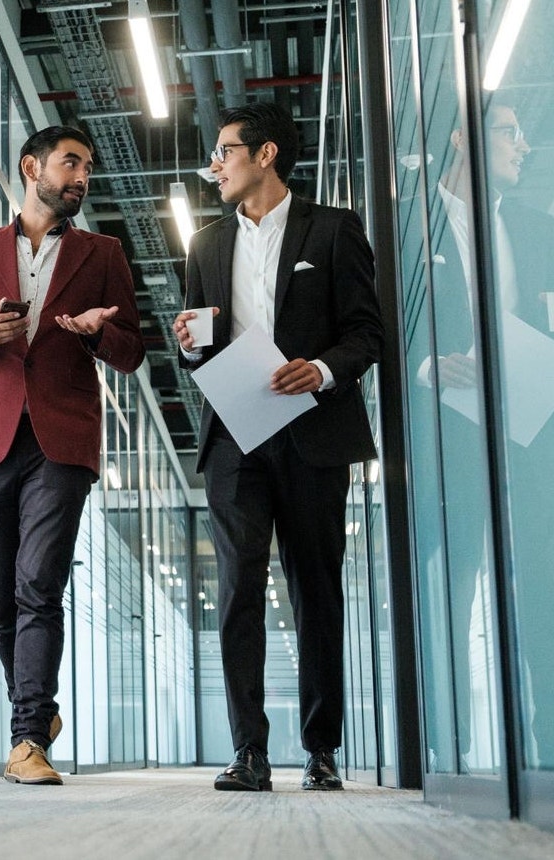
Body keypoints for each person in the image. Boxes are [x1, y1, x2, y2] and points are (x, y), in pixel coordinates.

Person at [0, 126, 145, 785]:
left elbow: (133, 352)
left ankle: (26, 739)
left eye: (87, 166)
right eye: (71, 163)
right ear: (31, 168)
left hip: (63, 436)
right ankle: (35, 706)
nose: (82, 176)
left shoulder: (103, 253)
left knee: (37, 582)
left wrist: (100, 332)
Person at [172, 102, 383, 792]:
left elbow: (364, 333)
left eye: (224, 152)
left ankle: (321, 750)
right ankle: (248, 753)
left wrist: (319, 371)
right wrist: (189, 346)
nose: (214, 167)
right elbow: (198, 351)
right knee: (238, 590)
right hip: (236, 435)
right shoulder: (204, 245)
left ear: (264, 155)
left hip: (313, 431)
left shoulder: (333, 229)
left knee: (315, 589)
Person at [424, 101, 554, 772]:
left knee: (545, 594)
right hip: (450, 438)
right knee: (452, 594)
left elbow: (548, 324)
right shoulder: (412, 229)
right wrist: (426, 363)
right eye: (508, 133)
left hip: (531, 434)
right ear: (464, 138)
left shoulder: (535, 225)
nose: (522, 147)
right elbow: (377, 326)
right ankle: (449, 756)